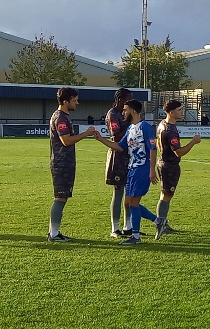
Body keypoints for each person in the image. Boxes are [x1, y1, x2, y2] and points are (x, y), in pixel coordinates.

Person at [94, 99, 158, 245]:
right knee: (129, 203)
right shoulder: (130, 129)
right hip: (131, 168)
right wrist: (100, 139)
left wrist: (151, 170)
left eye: (125, 110)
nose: (123, 112)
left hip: (142, 168)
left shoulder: (145, 128)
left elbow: (153, 149)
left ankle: (135, 236)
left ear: (134, 111)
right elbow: (119, 146)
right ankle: (158, 220)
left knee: (133, 204)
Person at [47, 87, 99, 242]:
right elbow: (66, 140)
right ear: (65, 101)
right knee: (60, 197)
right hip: (61, 163)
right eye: (74, 100)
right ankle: (54, 234)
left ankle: (54, 232)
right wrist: (86, 133)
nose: (77, 103)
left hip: (64, 162)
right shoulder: (61, 118)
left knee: (62, 197)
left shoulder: (62, 116)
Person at [154, 99, 202, 238]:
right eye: (179, 110)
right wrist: (193, 142)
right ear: (171, 112)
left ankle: (163, 223)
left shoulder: (162, 124)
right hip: (169, 165)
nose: (182, 112)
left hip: (162, 162)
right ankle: (160, 225)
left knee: (164, 195)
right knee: (167, 196)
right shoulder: (170, 130)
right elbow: (178, 152)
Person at [105, 88, 132, 238]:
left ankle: (128, 226)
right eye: (128, 99)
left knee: (130, 193)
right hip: (117, 157)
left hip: (130, 157)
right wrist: (130, 126)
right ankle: (115, 228)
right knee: (118, 192)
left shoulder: (126, 113)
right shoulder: (113, 114)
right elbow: (116, 137)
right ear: (120, 99)